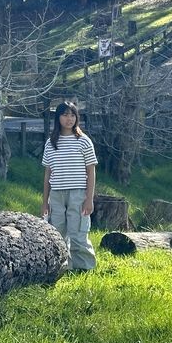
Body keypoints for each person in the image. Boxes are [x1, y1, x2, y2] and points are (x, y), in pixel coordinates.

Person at [41, 101, 98, 272]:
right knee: (57, 233)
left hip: (78, 194)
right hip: (56, 195)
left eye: (73, 115)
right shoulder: (51, 143)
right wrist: (45, 202)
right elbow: (47, 175)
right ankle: (63, 268)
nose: (69, 119)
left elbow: (91, 172)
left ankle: (86, 268)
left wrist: (89, 199)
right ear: (58, 118)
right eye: (65, 115)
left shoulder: (83, 141)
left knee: (78, 233)